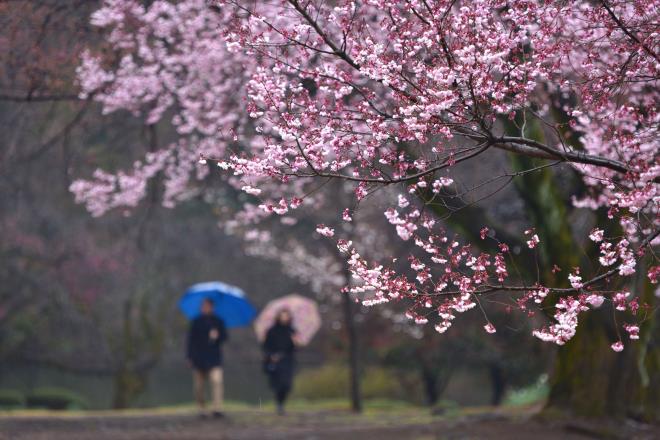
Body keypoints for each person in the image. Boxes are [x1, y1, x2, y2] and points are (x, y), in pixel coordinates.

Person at [186, 297, 228, 418]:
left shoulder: (218, 321)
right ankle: (201, 408)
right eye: (203, 306)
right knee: (199, 386)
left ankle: (217, 408)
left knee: (217, 381)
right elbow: (190, 341)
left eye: (207, 306)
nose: (205, 308)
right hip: (199, 358)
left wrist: (217, 336)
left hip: (214, 358)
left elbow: (225, 338)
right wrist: (189, 357)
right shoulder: (196, 321)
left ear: (212, 307)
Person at [263, 309, 298, 415]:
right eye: (282, 316)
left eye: (286, 316)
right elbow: (265, 347)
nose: (284, 318)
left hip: (287, 360)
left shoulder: (292, 331)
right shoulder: (271, 331)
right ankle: (279, 405)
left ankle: (281, 403)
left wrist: (295, 342)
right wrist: (271, 356)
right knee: (278, 384)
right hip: (275, 361)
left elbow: (294, 349)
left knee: (286, 384)